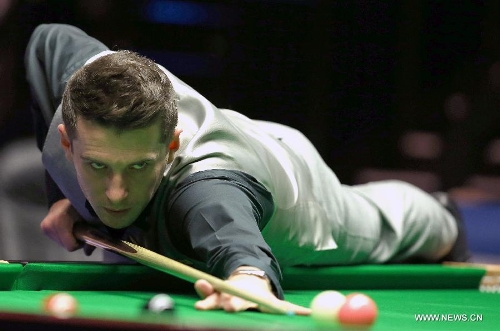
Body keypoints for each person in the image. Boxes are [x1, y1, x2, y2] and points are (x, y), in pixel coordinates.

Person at [25, 24, 469, 314]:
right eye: (97, 165)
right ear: (68, 139)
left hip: (293, 183)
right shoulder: (80, 90)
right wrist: (63, 198)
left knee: (384, 221)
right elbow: (48, 38)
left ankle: (445, 215)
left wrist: (249, 279)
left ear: (169, 147)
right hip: (235, 131)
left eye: (139, 166)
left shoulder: (208, 189)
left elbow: (234, 241)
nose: (116, 193)